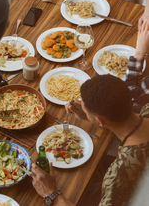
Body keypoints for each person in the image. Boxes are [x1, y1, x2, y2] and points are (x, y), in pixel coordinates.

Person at [30, 19, 149, 205]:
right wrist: (88, 114)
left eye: (84, 107)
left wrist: (51, 193)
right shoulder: (144, 108)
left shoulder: (119, 175)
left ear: (100, 121)